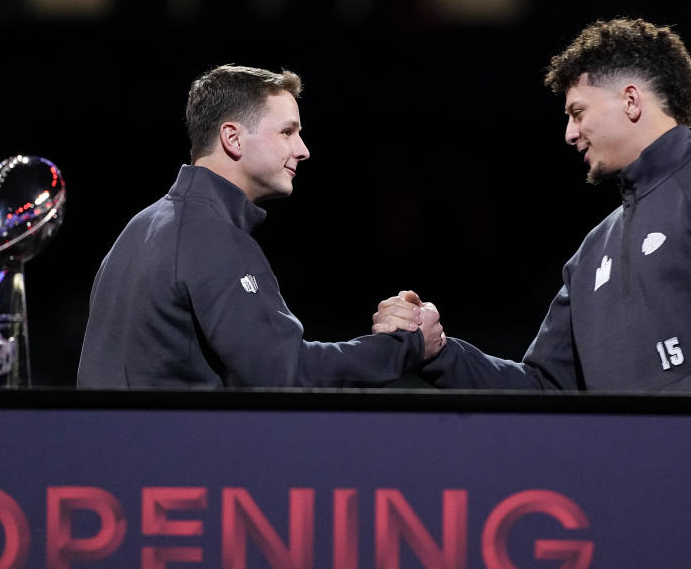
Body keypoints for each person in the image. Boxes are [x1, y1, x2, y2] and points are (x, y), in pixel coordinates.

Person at [374, 18, 691, 394]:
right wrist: (439, 352)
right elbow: (543, 386)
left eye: (578, 112)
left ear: (632, 101)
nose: (569, 133)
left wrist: (657, 423)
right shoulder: (593, 252)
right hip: (641, 493)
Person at [78, 64, 444, 388]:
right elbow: (288, 374)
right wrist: (406, 346)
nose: (303, 149)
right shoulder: (213, 237)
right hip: (170, 460)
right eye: (287, 132)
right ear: (233, 138)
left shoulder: (140, 227)